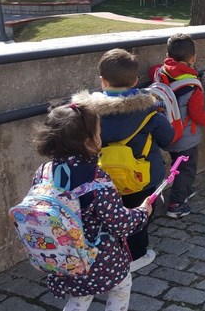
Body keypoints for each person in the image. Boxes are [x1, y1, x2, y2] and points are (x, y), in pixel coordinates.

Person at [32, 103, 151, 311]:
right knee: (121, 288)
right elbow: (119, 223)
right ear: (90, 142)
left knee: (80, 297)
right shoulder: (97, 180)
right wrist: (142, 212)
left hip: (64, 256)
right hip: (99, 258)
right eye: (98, 133)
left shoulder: (44, 171)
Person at [71, 48, 174, 272]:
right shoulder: (149, 111)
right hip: (142, 177)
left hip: (102, 177)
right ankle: (136, 256)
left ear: (102, 80)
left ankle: (112, 247)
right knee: (140, 213)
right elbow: (168, 139)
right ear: (136, 81)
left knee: (109, 214)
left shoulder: (86, 113)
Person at [155, 34, 205, 219]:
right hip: (185, 137)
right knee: (186, 169)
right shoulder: (192, 85)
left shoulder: (161, 73)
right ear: (193, 58)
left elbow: (153, 72)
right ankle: (176, 204)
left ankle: (186, 190)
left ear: (168, 55)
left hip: (167, 131)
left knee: (177, 164)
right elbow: (197, 113)